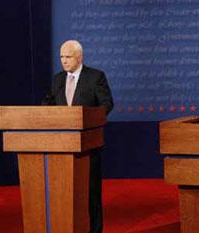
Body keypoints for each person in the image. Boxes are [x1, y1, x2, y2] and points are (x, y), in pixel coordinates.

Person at [43, 40, 114, 233]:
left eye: (68, 57)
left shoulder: (95, 77)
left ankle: (95, 230)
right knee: (63, 192)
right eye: (61, 57)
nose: (64, 61)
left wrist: (90, 120)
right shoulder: (58, 79)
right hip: (61, 146)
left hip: (88, 147)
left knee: (91, 193)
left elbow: (106, 104)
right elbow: (48, 105)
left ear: (79, 57)